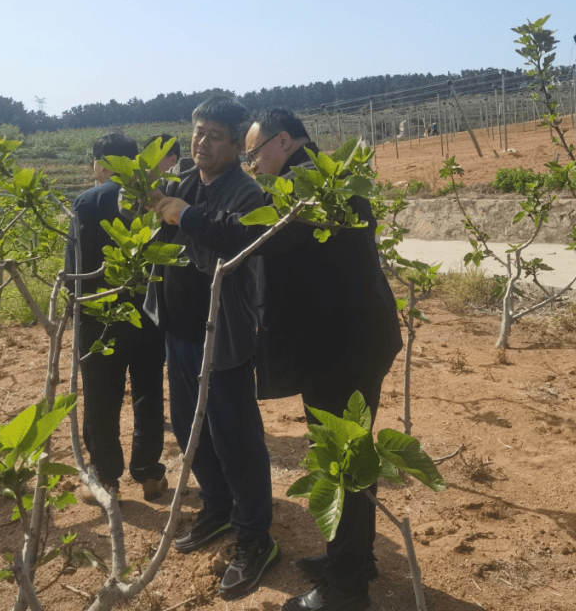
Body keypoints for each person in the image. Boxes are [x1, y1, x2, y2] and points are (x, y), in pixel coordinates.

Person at [154, 108, 400, 611]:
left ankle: (347, 591)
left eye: (253, 152)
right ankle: (351, 561)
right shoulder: (318, 181)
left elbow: (249, 233)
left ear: (282, 141)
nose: (252, 163)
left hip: (340, 350)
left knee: (343, 464)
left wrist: (186, 215)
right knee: (345, 459)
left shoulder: (307, 188)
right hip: (346, 343)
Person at [144, 95, 279, 600]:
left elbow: (243, 239)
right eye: (198, 131)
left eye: (214, 135)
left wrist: (187, 217)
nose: (201, 142)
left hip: (221, 336)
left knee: (236, 438)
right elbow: (165, 221)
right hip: (180, 330)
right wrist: (150, 203)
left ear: (233, 143)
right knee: (188, 428)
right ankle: (219, 508)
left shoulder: (246, 192)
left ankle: (255, 537)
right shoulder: (183, 183)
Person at [64, 131, 168, 500]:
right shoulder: (155, 198)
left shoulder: (86, 202)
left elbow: (73, 270)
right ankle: (149, 472)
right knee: (148, 392)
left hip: (100, 315)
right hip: (149, 313)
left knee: (100, 395)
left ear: (101, 164)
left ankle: (105, 475)